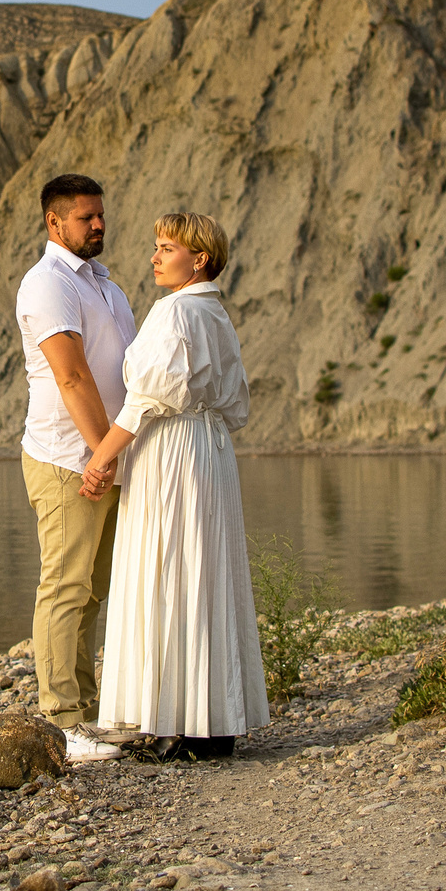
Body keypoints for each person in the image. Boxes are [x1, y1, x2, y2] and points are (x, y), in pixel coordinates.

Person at [78, 211, 267, 759]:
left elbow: (144, 402)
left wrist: (100, 460)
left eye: (166, 247)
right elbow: (236, 404)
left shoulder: (177, 313)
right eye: (156, 246)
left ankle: (172, 721)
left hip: (172, 451)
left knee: (167, 569)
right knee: (205, 572)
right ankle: (209, 723)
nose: (155, 257)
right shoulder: (216, 315)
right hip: (210, 451)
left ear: (198, 258)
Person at [14, 173, 137, 760]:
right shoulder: (46, 284)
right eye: (86, 217)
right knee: (65, 587)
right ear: (53, 223)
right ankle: (60, 723)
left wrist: (115, 453)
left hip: (106, 457)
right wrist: (97, 453)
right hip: (69, 458)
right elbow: (71, 375)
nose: (98, 225)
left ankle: (87, 714)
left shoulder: (106, 285)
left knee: (95, 590)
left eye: (100, 215)